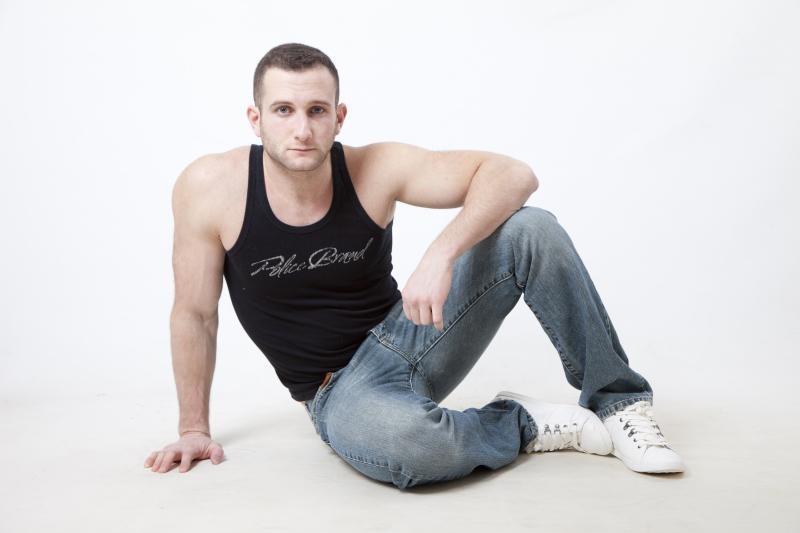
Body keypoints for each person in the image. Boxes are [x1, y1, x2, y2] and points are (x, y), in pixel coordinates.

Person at [144, 43, 685, 487]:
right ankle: (522, 421)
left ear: (339, 117)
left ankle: (620, 405)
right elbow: (195, 313)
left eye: (317, 110)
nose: (302, 129)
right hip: (338, 391)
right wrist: (194, 428)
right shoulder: (211, 188)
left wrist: (439, 253)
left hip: (414, 334)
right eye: (284, 110)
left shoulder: (375, 167)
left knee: (531, 228)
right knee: (413, 448)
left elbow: (513, 174)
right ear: (256, 118)